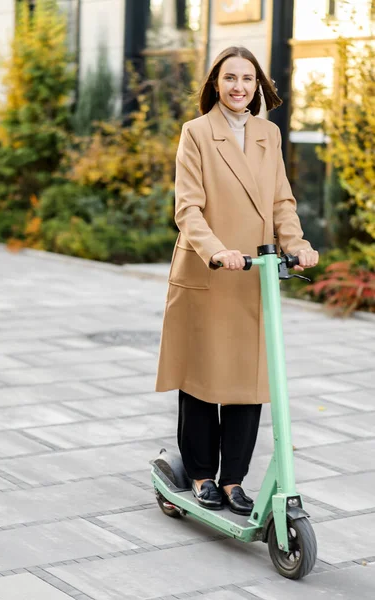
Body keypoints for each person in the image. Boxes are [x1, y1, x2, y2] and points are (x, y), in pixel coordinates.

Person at [155, 46, 319, 515]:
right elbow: (187, 208)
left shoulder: (268, 134)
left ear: (258, 86)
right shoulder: (197, 133)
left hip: (254, 274)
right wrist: (216, 251)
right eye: (230, 78)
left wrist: (297, 244)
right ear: (215, 83)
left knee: (250, 380)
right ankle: (202, 474)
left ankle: (233, 481)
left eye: (248, 79)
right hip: (210, 269)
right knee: (203, 377)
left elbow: (281, 204)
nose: (239, 87)